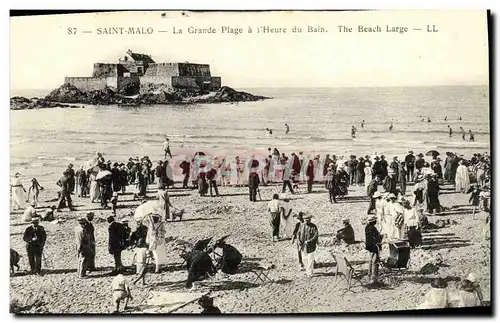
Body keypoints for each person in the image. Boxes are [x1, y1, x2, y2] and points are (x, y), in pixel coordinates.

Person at [365, 215, 381, 284]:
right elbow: (376, 237)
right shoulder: (373, 228)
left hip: (369, 246)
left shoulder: (367, 227)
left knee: (371, 260)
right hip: (374, 246)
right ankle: (374, 277)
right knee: (375, 261)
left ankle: (369, 274)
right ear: (373, 221)